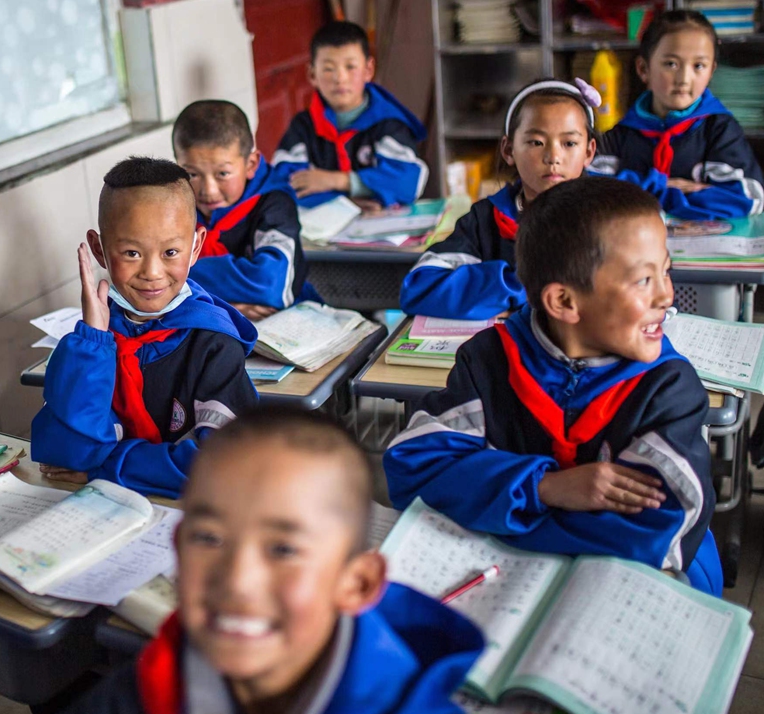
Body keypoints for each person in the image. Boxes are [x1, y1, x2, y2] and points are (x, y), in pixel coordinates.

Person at [385, 177, 722, 596]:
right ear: (563, 302)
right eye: (643, 281)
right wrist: (545, 486)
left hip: (641, 586)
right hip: (507, 583)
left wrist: (490, 506)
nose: (667, 297)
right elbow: (413, 469)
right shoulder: (490, 360)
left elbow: (650, 536)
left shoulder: (667, 386)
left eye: (665, 272)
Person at [60, 408, 484, 714]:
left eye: (283, 550)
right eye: (209, 538)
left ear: (357, 583)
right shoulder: (148, 688)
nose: (237, 581)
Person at [31, 156, 258, 498]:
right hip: (105, 511)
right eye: (132, 253)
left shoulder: (212, 344)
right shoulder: (93, 343)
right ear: (99, 250)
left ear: (195, 246)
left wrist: (104, 467)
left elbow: (223, 467)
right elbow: (65, 454)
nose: (152, 272)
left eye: (170, 251)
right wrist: (93, 341)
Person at [400, 79, 599, 320]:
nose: (553, 156)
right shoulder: (485, 221)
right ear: (508, 150)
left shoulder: (610, 217)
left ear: (588, 152)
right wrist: (521, 286)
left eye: (569, 143)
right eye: (536, 142)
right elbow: (420, 289)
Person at [594, 10, 764, 218]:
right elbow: (590, 188)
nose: (684, 78)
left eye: (698, 66)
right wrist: (667, 187)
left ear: (711, 72)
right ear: (643, 69)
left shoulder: (719, 129)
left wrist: (638, 193)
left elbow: (748, 198)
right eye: (671, 64)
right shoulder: (623, 133)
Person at [173, 100, 311, 321]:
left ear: (251, 164)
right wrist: (223, 306)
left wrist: (177, 275)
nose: (208, 190)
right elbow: (146, 285)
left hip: (287, 324)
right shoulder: (172, 207)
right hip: (209, 323)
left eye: (223, 174)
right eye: (193, 174)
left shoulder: (274, 203)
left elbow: (269, 285)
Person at [272, 21, 428, 208]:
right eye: (329, 69)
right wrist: (349, 204)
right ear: (312, 75)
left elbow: (407, 183)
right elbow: (283, 187)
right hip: (324, 230)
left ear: (368, 70)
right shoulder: (303, 127)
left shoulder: (388, 124)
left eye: (350, 67)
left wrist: (338, 181)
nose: (340, 78)